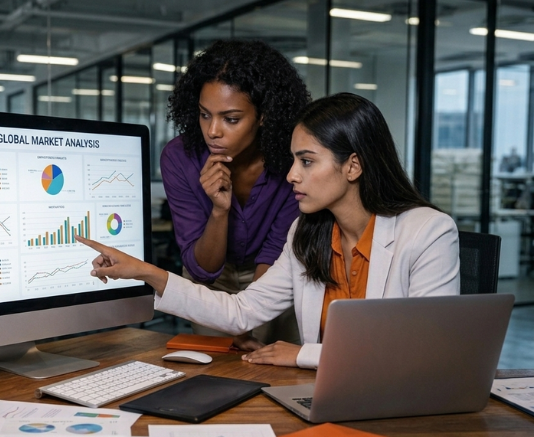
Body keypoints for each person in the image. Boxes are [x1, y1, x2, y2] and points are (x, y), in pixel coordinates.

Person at [78, 93, 460, 369]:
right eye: (293, 159)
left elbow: (424, 354)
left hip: (400, 408)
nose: (292, 174)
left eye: (307, 161)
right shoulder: (306, 233)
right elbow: (241, 310)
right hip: (324, 394)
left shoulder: (428, 232)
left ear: (353, 166)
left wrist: (302, 354)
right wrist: (146, 272)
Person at [160, 39, 310, 350]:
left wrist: (246, 320)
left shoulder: (292, 160)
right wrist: (219, 210)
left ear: (264, 115)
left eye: (231, 119)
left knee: (279, 367)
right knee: (214, 372)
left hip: (276, 273)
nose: (212, 131)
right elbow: (202, 271)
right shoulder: (180, 157)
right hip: (211, 281)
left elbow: (274, 251)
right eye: (204, 114)